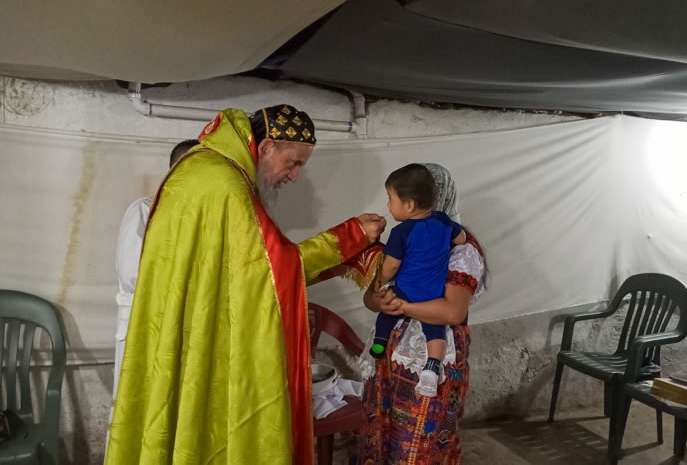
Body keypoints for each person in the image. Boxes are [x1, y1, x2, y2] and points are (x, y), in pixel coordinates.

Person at [106, 105, 386, 465]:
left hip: (186, 328)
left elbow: (248, 272)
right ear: (266, 147)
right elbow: (272, 269)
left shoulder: (205, 169)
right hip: (198, 332)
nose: (295, 177)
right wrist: (350, 236)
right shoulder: (226, 183)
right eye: (293, 163)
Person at [359, 163, 487, 464]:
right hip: (390, 359)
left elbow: (452, 312)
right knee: (384, 434)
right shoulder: (406, 238)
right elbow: (372, 295)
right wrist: (379, 301)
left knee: (421, 444)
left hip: (432, 361)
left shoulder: (462, 252)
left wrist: (402, 307)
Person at [109, 139, 198, 450]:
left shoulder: (201, 218)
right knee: (139, 414)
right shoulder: (144, 210)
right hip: (144, 328)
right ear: (175, 170)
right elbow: (133, 273)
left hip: (181, 330)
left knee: (173, 418)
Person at [372, 163, 467, 397]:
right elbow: (462, 238)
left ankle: (379, 343)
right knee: (436, 331)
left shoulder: (401, 232)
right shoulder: (443, 221)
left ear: (409, 205)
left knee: (386, 313)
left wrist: (378, 281)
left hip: (406, 292)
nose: (388, 205)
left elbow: (391, 265)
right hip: (434, 296)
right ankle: (432, 368)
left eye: (390, 199)